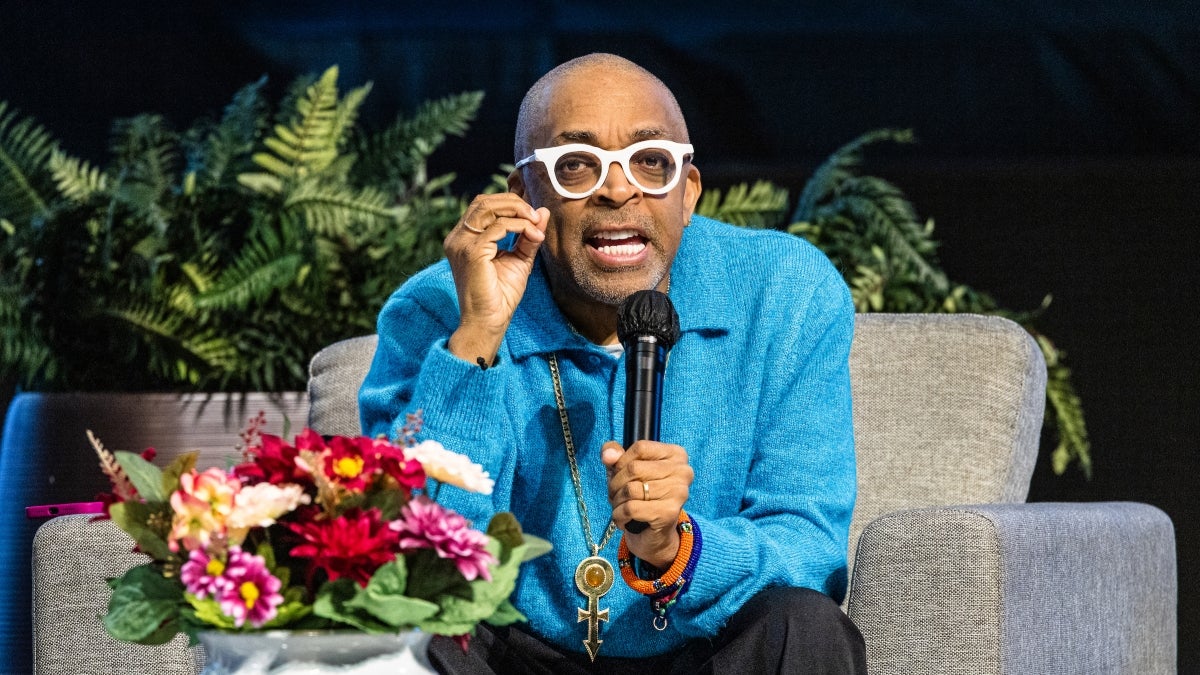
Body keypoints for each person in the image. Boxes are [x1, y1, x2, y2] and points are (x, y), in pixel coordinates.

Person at [359, 53, 866, 674]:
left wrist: (678, 549)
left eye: (651, 163)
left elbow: (809, 547)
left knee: (804, 626)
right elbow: (411, 567)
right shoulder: (438, 308)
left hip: (704, 649)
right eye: (576, 166)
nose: (618, 189)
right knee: (412, 634)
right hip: (510, 653)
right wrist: (478, 337)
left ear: (688, 192)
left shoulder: (785, 291)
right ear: (525, 196)